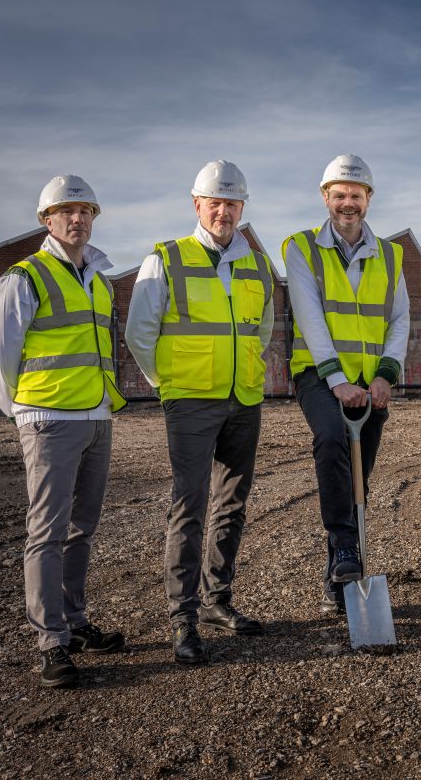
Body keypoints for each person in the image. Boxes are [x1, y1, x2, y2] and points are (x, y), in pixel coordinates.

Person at [126, 160, 275, 664]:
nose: (224, 210)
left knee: (232, 503)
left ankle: (217, 601)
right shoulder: (165, 259)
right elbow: (139, 333)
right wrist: (167, 384)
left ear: (241, 208)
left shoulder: (256, 264)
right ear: (197, 204)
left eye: (232, 203)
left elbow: (263, 331)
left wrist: (244, 373)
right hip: (189, 401)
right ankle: (182, 620)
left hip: (243, 400)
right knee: (189, 506)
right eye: (215, 201)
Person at [0, 175, 127, 689]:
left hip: (95, 416)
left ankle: (73, 621)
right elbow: (1, 353)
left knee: (81, 528)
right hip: (48, 419)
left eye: (85, 211)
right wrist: (20, 411)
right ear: (47, 220)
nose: (77, 219)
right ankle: (51, 642)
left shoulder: (101, 280)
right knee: (46, 532)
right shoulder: (26, 276)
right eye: (65, 211)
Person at [283, 154, 409, 615]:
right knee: (333, 438)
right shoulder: (301, 247)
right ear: (325, 198)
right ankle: (342, 544)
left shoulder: (391, 255)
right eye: (339, 195)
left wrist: (385, 374)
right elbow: (310, 316)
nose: (348, 203)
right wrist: (337, 380)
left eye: (356, 195)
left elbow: (400, 319)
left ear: (368, 200)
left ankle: (341, 568)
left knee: (358, 476)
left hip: (370, 379)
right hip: (318, 374)